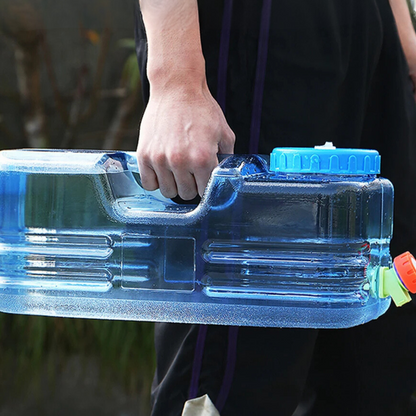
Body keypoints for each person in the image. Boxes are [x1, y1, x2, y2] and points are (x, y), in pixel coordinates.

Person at [134, 1, 416, 415]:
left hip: (369, 30)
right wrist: (175, 77)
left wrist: (404, 39)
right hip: (254, 27)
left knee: (372, 364)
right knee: (237, 374)